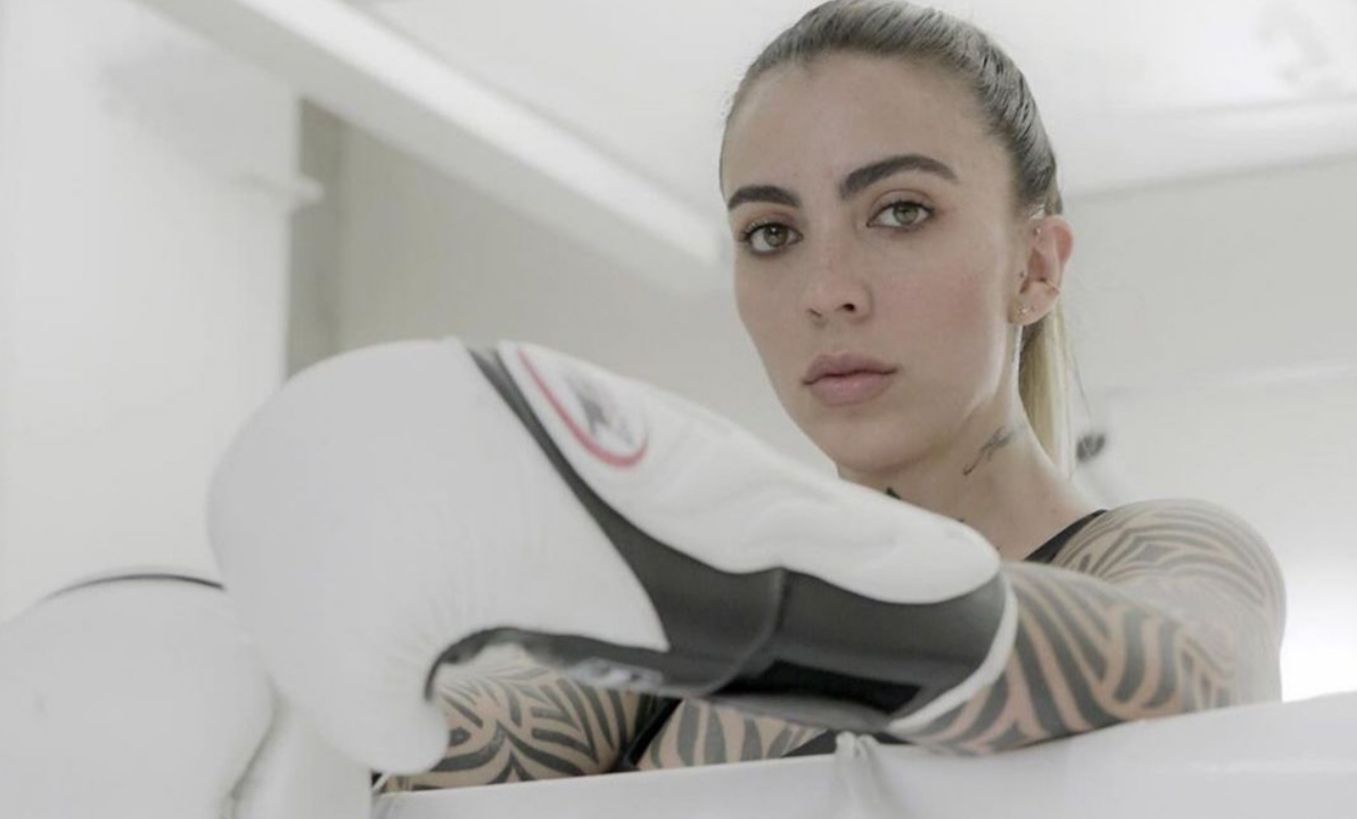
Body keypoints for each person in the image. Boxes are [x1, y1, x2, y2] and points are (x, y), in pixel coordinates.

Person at [377, 0, 1286, 791]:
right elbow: (394, 746)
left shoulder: (1156, 554)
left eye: (901, 211)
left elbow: (1186, 666)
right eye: (772, 232)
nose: (827, 290)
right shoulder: (682, 643)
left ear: (1036, 267)